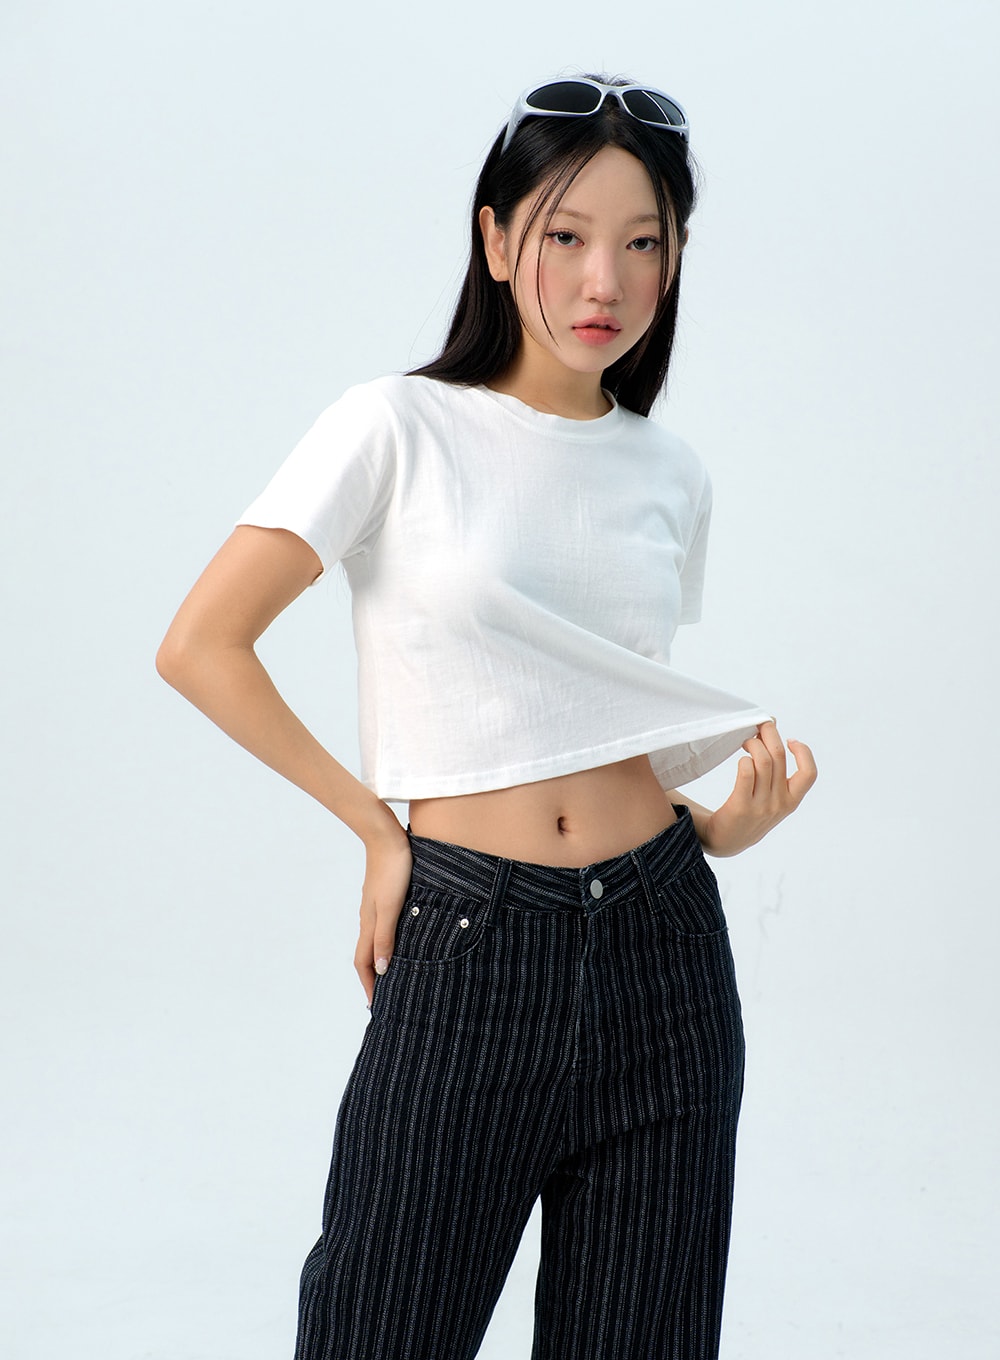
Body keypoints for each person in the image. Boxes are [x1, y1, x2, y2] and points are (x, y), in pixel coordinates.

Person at [157, 73, 816, 1360]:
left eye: (643, 244)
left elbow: (582, 716)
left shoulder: (670, 471)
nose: (603, 281)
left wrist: (715, 826)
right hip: (469, 944)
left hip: (667, 946)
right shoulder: (395, 425)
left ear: (676, 256)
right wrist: (377, 830)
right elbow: (201, 645)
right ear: (497, 237)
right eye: (566, 235)